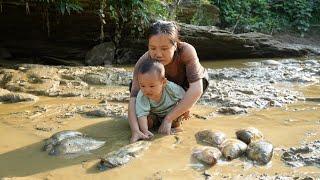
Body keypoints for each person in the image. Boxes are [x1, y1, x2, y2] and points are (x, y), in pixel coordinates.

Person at [128, 20, 209, 143]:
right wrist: (135, 130)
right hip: (156, 87)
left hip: (185, 87)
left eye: (164, 48)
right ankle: (154, 113)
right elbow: (133, 98)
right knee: (144, 122)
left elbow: (197, 88)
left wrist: (168, 119)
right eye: (152, 48)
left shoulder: (186, 51)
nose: (158, 54)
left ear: (175, 45)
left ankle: (179, 109)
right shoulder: (144, 61)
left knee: (174, 121)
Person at [135, 59, 186, 139]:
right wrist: (145, 131)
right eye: (142, 86)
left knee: (177, 120)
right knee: (142, 121)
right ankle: (154, 125)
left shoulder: (171, 88)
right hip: (155, 114)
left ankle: (172, 126)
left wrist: (187, 110)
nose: (147, 90)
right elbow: (142, 114)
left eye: (152, 86)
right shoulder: (142, 95)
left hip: (171, 112)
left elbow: (185, 98)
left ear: (164, 82)